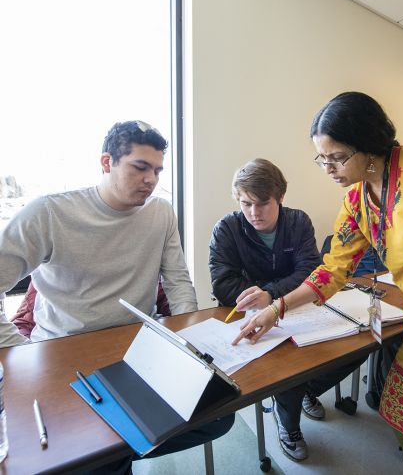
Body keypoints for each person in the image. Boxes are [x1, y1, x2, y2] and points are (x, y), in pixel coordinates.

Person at [233, 92, 403, 475]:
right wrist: (276, 309)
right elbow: (332, 271)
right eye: (321, 158)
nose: (327, 168)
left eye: (337, 157)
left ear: (369, 144)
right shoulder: (356, 201)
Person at [0, 120, 234, 473]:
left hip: (137, 353)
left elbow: (177, 281)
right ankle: (113, 451)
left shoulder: (160, 212)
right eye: (140, 167)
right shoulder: (49, 212)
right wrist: (18, 348)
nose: (152, 180)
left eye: (157, 170)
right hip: (63, 354)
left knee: (218, 416)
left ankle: (112, 450)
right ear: (106, 162)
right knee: (103, 451)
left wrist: (186, 344)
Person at [209, 158, 365, 461]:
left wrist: (270, 294)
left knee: (357, 345)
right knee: (290, 361)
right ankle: (289, 423)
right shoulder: (226, 228)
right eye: (246, 204)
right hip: (248, 317)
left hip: (298, 307)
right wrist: (268, 295)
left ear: (280, 197)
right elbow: (222, 285)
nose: (254, 213)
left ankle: (305, 390)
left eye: (263, 203)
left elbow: (309, 268)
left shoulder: (298, 222)